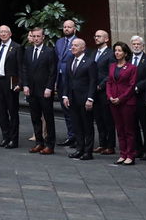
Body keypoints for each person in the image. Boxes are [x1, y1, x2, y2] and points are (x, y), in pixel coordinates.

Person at [21, 27, 57, 154]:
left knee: (48, 117)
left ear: (43, 37)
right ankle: (39, 142)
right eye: (34, 36)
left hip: (45, 90)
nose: (36, 38)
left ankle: (50, 144)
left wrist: (49, 87)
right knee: (35, 117)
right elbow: (24, 69)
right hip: (32, 90)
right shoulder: (28, 50)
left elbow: (53, 71)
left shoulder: (49, 51)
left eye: (38, 36)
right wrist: (25, 85)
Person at [62, 37, 96, 160]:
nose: (73, 47)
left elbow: (93, 82)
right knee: (77, 125)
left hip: (84, 99)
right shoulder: (70, 60)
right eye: (72, 45)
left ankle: (88, 151)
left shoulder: (90, 62)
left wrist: (90, 99)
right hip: (72, 98)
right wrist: (65, 95)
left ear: (83, 48)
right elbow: (67, 80)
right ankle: (79, 149)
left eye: (76, 45)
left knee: (87, 126)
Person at [107, 41, 139, 165]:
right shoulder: (112, 66)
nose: (117, 53)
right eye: (115, 50)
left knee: (129, 129)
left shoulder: (132, 68)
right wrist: (110, 96)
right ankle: (123, 153)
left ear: (125, 53)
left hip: (126, 102)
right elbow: (109, 82)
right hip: (113, 101)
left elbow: (131, 86)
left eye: (120, 50)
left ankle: (130, 154)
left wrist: (120, 98)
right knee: (119, 128)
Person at [0, 24, 22, 149]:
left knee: (13, 112)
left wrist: (20, 83)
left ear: (10, 34)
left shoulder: (17, 47)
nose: (3, 34)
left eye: (5, 32)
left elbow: (21, 67)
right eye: (1, 32)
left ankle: (14, 140)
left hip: (11, 83)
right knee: (1, 111)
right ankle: (5, 137)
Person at [55, 19, 82, 147]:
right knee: (65, 110)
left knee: (73, 110)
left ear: (74, 29)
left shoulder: (78, 43)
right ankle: (71, 135)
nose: (66, 29)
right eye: (64, 27)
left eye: (69, 27)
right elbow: (57, 60)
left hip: (72, 80)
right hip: (60, 80)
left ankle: (78, 136)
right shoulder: (59, 42)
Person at [130, 35, 146, 160]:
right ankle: (137, 149)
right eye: (134, 44)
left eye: (138, 44)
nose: (136, 46)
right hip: (129, 98)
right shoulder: (127, 59)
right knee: (133, 125)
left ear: (143, 46)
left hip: (143, 97)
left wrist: (137, 86)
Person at [92, 29, 116, 155]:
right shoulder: (93, 52)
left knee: (108, 119)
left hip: (104, 90)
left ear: (106, 39)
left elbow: (111, 73)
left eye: (99, 36)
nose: (96, 38)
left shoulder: (111, 54)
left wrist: (100, 86)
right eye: (95, 36)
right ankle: (102, 144)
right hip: (94, 91)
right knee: (99, 119)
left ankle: (110, 145)